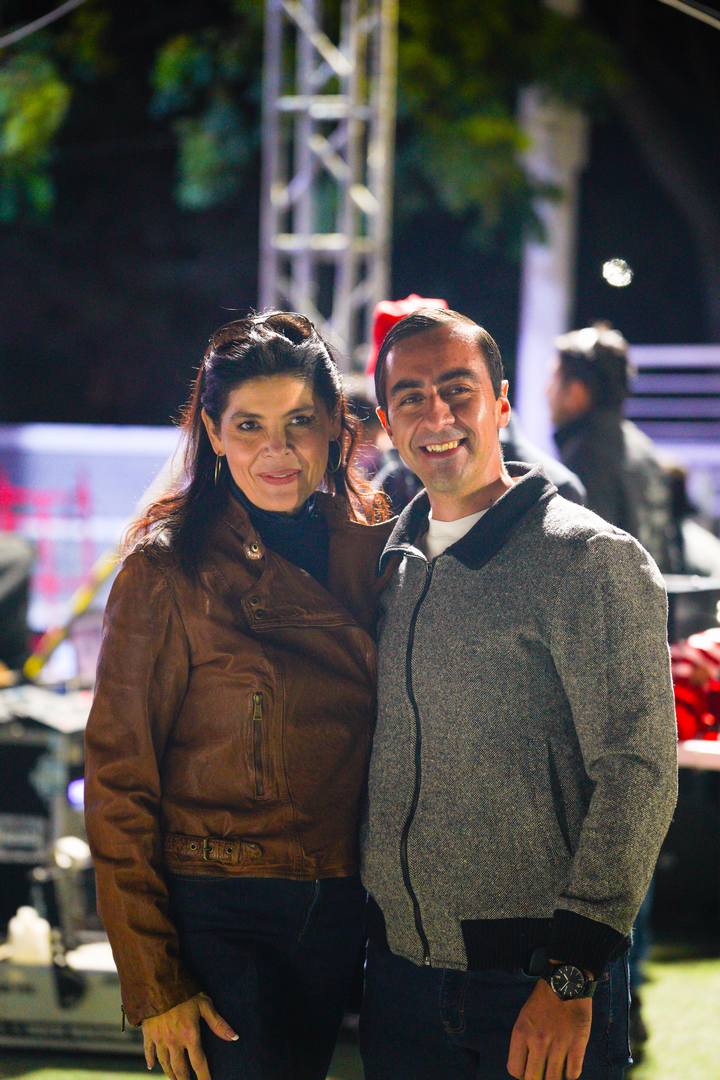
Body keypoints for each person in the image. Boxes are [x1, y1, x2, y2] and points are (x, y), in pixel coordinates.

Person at [360, 307, 677, 1080]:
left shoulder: (589, 559)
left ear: (500, 404)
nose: (436, 415)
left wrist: (573, 973)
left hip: (539, 979)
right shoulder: (388, 564)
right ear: (387, 422)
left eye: (457, 390)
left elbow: (639, 771)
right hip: (399, 979)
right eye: (410, 397)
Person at [84, 311, 394, 1080]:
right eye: (249, 426)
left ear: (334, 427)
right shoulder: (167, 569)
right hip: (218, 910)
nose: (277, 450)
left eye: (299, 422)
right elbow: (118, 779)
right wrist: (155, 981)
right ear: (214, 435)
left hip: (344, 905)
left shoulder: (377, 544)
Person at [546, 323, 681, 573]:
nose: (546, 392)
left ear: (576, 392)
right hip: (658, 592)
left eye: (553, 379)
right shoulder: (643, 448)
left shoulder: (587, 456)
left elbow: (588, 562)